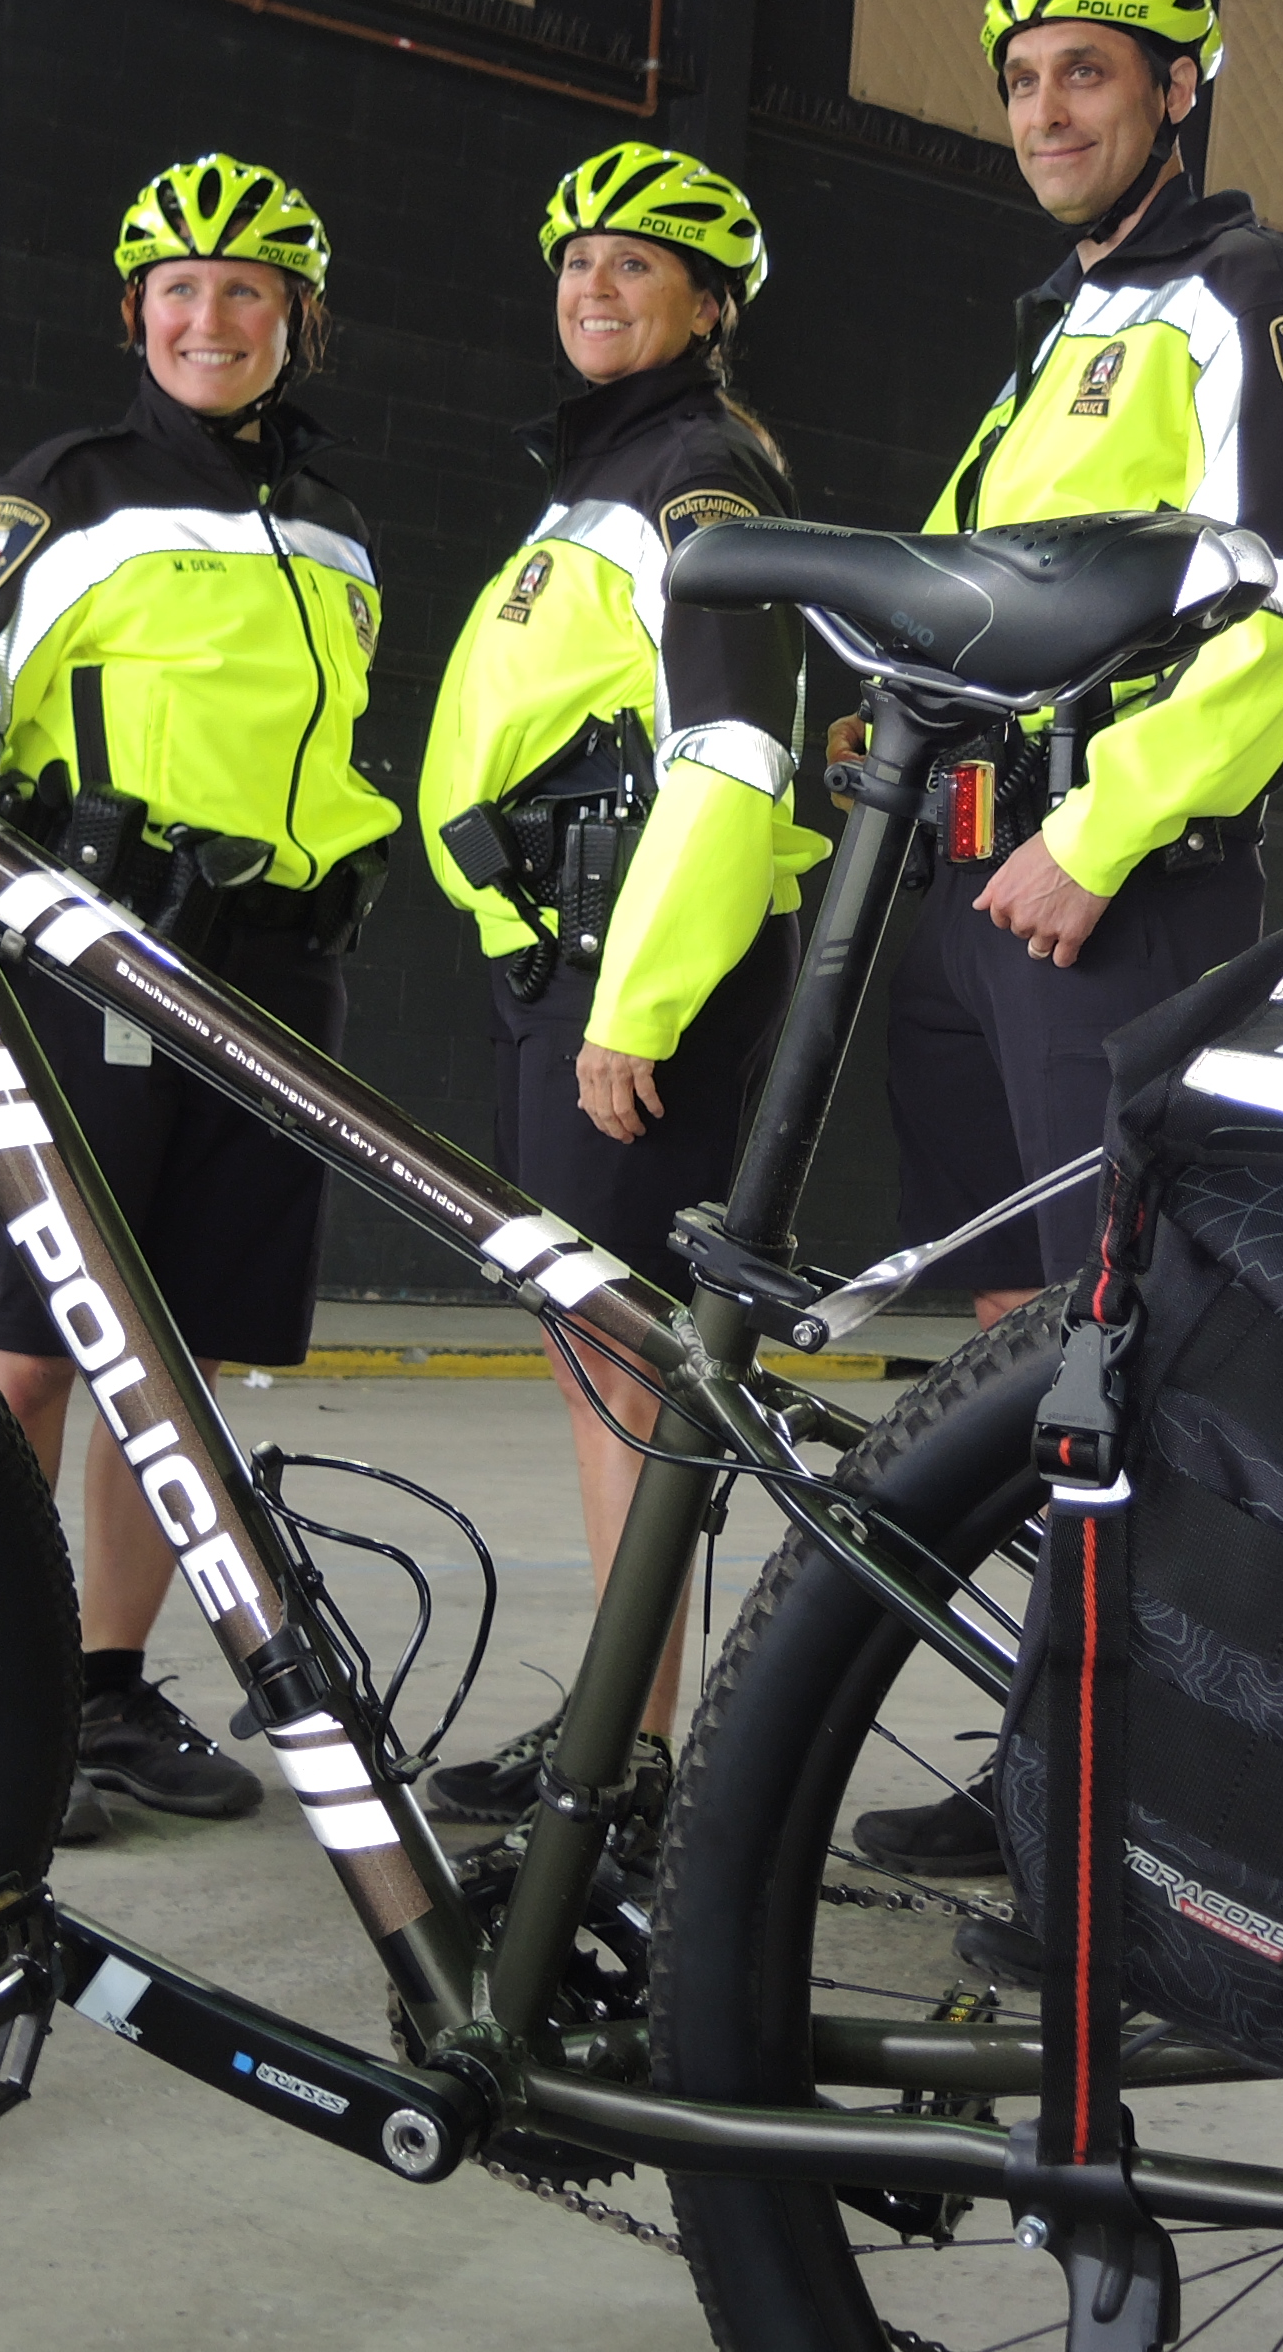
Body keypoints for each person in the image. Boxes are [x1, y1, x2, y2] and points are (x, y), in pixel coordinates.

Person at [848, 0, 1283, 1876]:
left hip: (1108, 893)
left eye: (1085, 74)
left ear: (1177, 92)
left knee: (1109, 1349)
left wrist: (1110, 827)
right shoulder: (1067, 327)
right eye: (1018, 81)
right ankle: (1044, 1755)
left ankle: (1121, 1799)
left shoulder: (1249, 303)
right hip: (973, 897)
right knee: (1022, 1354)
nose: (1043, 112)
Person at [0, 154, 396, 1844]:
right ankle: (3, 1698)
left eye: (247, 291)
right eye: (179, 290)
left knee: (170, 1357)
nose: (211, 316)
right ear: (138, 315)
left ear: (297, 324)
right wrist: (21, 884)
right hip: (93, 965)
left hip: (276, 971)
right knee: (32, 1345)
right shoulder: (57, 495)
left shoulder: (334, 523)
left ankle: (108, 1689)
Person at [410, 145, 825, 1828]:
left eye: (638, 266)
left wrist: (634, 1006)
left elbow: (731, 755)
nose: (595, 283)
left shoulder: (700, 475)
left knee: (629, 1362)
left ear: (709, 307)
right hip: (566, 965)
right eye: (576, 260)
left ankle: (637, 1761)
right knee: (603, 1355)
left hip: (634, 980)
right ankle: (625, 1734)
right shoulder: (608, 473)